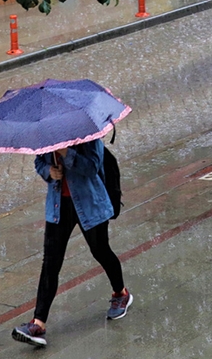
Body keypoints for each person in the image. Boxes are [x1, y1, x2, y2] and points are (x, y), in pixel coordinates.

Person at [12, 139, 132, 347]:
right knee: (51, 262)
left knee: (100, 251)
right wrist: (49, 170)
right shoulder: (49, 135)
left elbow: (92, 167)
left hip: (90, 204)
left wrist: (66, 152)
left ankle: (121, 293)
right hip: (58, 206)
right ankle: (38, 322)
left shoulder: (89, 136)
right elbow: (39, 162)